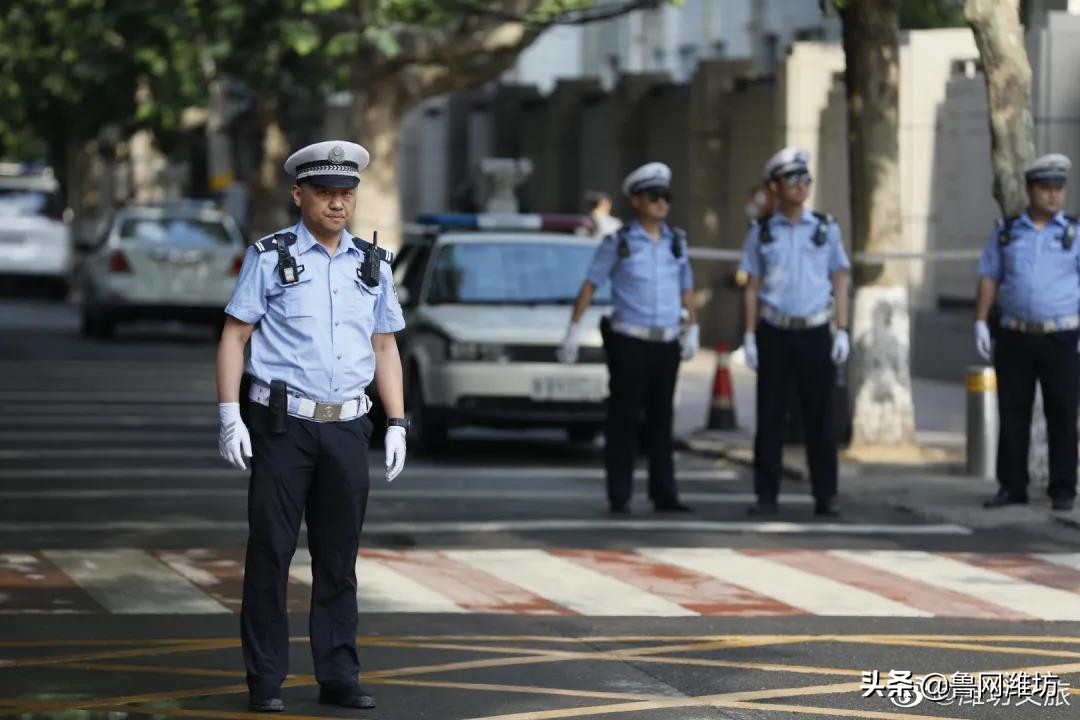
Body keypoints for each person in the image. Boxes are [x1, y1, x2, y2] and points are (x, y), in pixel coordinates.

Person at [216, 140, 408, 712]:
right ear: (299, 194)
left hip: (348, 426)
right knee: (271, 553)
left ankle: (339, 674)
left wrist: (398, 421)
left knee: (338, 558)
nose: (337, 204)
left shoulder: (372, 264)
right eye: (325, 193)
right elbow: (234, 337)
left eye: (346, 194)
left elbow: (384, 346)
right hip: (283, 425)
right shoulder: (270, 256)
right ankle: (266, 681)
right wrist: (230, 416)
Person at [558, 162, 699, 514]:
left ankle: (664, 493)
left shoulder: (676, 242)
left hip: (666, 340)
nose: (662, 203)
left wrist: (694, 327)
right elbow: (590, 285)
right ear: (636, 200)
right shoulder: (618, 243)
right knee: (624, 419)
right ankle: (619, 493)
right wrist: (572, 330)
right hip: (629, 339)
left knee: (661, 420)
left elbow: (687, 290)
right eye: (654, 197)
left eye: (666, 197)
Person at [739, 147, 850, 517]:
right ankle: (766, 496)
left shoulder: (825, 228)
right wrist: (751, 334)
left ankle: (826, 495)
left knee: (820, 418)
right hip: (775, 331)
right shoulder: (762, 232)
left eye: (806, 180)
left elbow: (839, 279)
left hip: (815, 331)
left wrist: (843, 330)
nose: (801, 187)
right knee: (770, 416)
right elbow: (752, 285)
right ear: (775, 186)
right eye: (792, 180)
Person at [975, 152, 1078, 513]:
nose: (1054, 195)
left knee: (1063, 413)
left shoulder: (1074, 233)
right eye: (1046, 188)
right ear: (1031, 190)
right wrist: (980, 320)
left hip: (1061, 336)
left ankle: (1063, 489)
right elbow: (990, 276)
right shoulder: (1006, 233)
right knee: (1013, 412)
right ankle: (1012, 486)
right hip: (1015, 335)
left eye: (1059, 188)